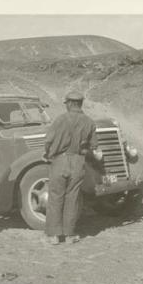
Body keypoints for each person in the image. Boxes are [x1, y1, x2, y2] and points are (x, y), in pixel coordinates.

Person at [43, 91, 100, 245]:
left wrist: (49, 154)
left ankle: (54, 236)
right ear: (80, 104)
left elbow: (48, 141)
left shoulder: (60, 119)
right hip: (78, 162)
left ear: (69, 103)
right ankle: (69, 235)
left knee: (55, 196)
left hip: (60, 160)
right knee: (73, 198)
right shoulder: (89, 122)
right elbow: (93, 146)